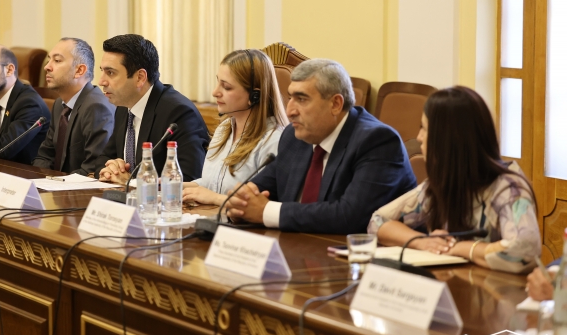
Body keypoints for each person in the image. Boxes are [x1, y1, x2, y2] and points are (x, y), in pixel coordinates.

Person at [225, 58, 416, 233]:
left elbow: (350, 216)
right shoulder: (295, 136)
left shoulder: (377, 141)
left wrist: (266, 212)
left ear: (335, 104)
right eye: (290, 98)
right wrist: (240, 204)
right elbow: (256, 192)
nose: (290, 111)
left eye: (301, 99)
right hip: (297, 247)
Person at [368, 86, 541, 274]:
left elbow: (524, 250)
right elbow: (377, 221)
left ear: (448, 138)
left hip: (499, 288)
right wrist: (422, 242)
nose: (419, 138)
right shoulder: (443, 182)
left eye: (424, 128)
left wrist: (460, 248)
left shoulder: (508, 188)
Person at [95, 34, 209, 183]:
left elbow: (188, 179)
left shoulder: (179, 113)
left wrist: (132, 182)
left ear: (140, 77)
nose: (101, 81)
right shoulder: (124, 107)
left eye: (110, 73)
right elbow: (102, 159)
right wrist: (111, 168)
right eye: (102, 71)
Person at [182, 49, 287, 207]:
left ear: (254, 96)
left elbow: (262, 206)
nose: (215, 92)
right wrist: (170, 187)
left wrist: (214, 198)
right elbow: (211, 183)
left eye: (226, 87)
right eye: (218, 82)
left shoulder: (274, 141)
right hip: (210, 217)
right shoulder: (224, 129)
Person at [32, 38, 114, 174]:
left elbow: (93, 169)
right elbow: (45, 155)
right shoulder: (59, 104)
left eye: (57, 60)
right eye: (49, 59)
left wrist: (56, 182)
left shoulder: (97, 108)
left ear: (79, 70)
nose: (47, 67)